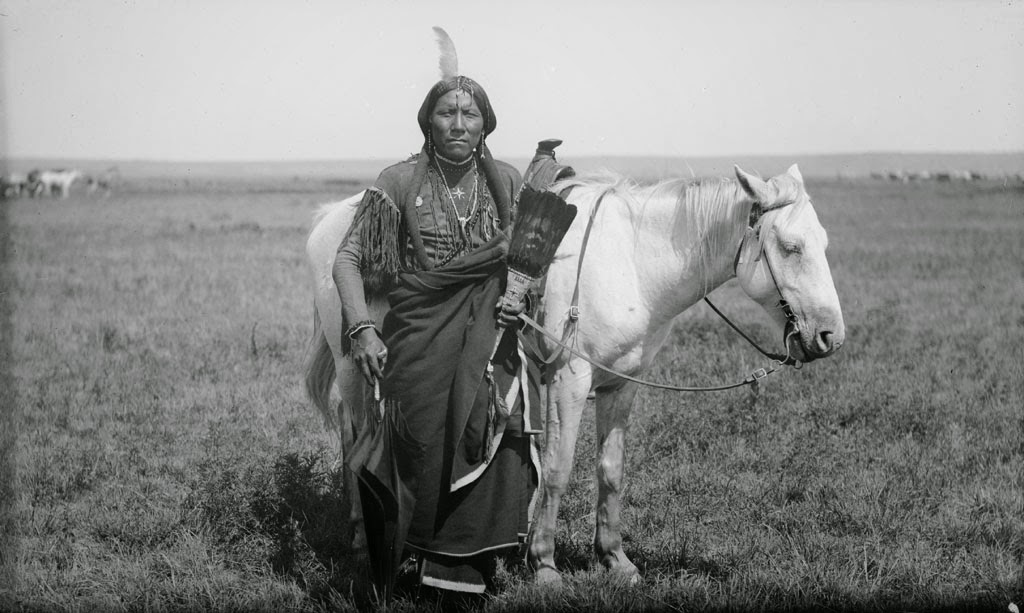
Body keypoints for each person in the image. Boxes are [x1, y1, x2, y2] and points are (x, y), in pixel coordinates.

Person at [332, 71, 541, 595]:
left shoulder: (509, 182)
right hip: (419, 332)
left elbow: (527, 265)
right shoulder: (398, 181)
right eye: (446, 112)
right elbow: (348, 259)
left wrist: (522, 299)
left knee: (494, 422)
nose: (458, 123)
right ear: (428, 120)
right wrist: (362, 329)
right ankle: (417, 551)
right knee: (422, 435)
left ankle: (469, 561)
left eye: (470, 114)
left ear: (485, 124)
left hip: (489, 333)